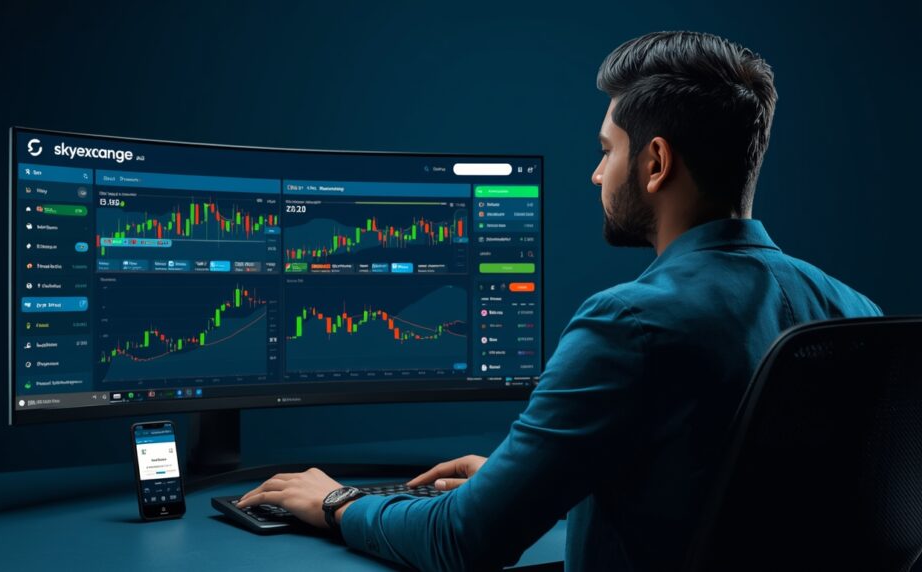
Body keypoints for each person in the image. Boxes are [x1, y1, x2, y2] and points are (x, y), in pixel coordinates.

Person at [237, 31, 883, 571]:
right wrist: (526, 478)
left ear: (656, 163)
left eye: (607, 151)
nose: (596, 173)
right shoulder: (858, 315)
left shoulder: (630, 324)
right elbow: (730, 500)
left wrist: (336, 501)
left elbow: (462, 539)